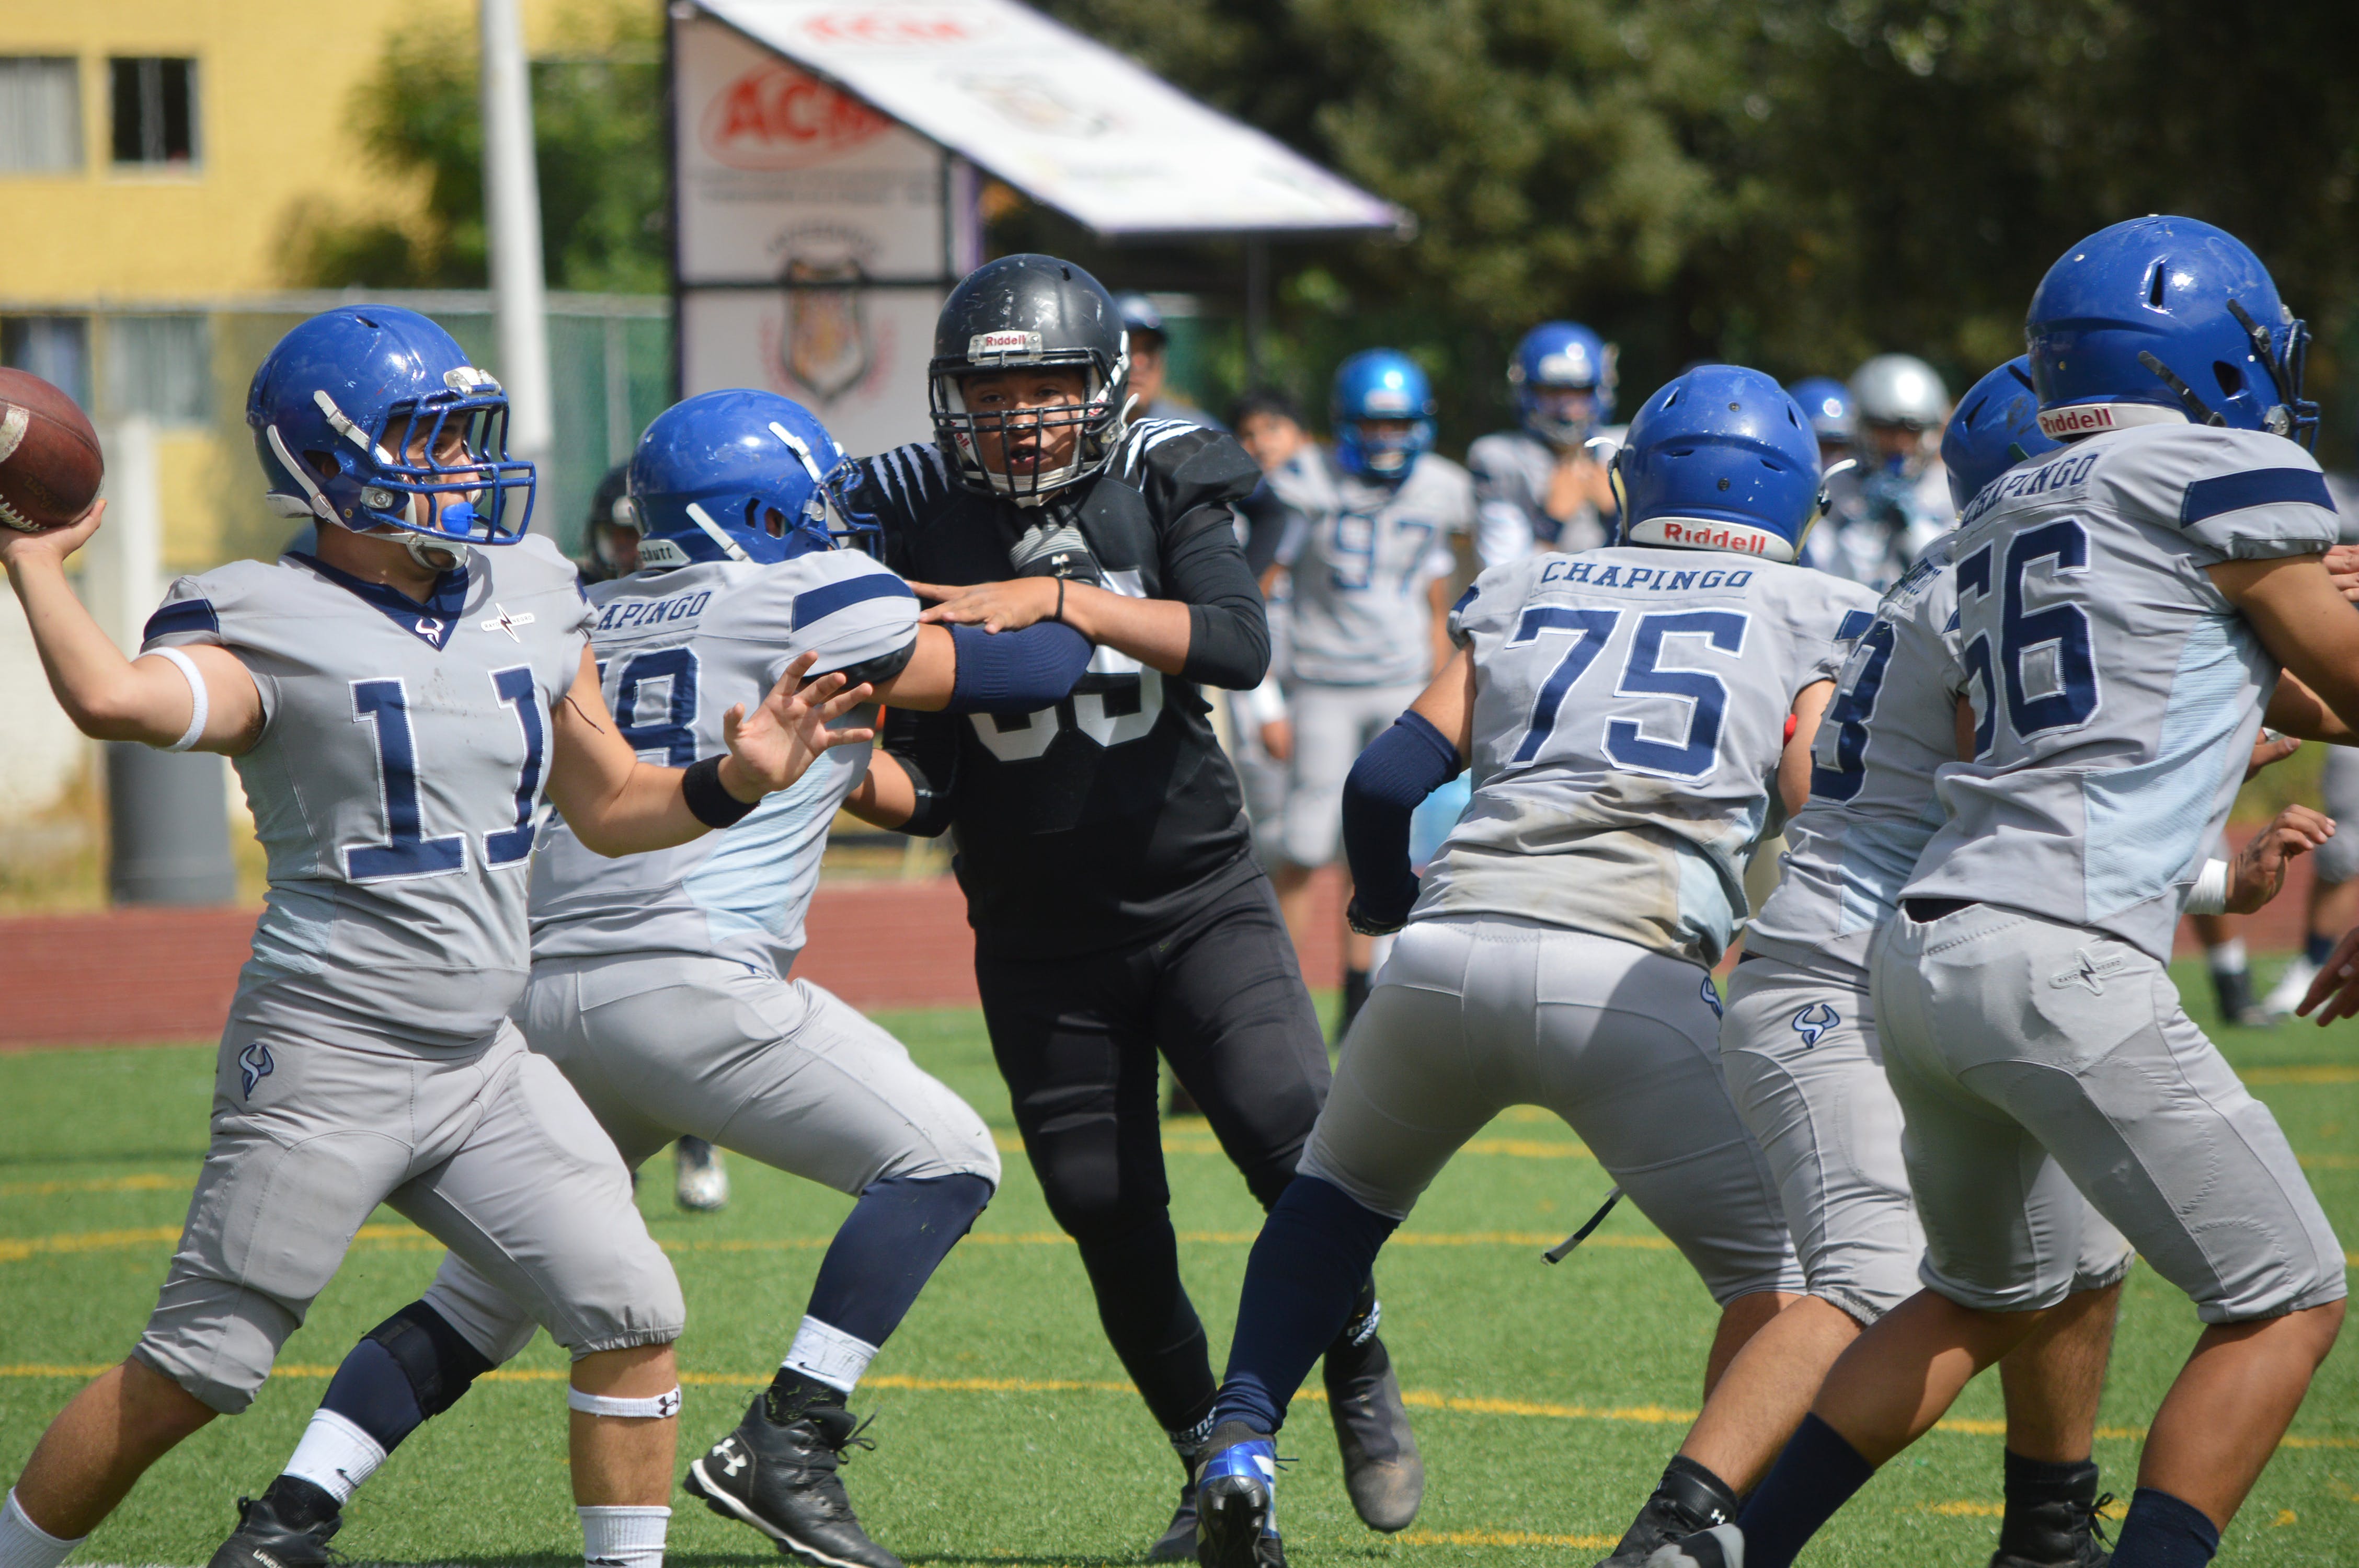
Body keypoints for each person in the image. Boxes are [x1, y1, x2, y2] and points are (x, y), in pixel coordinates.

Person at [0, 308, 869, 1568]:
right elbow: (115, 698)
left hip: (484, 1054)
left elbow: (616, 805)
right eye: (430, 438)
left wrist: (736, 781)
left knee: (633, 1310)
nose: (464, 463)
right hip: (328, 1055)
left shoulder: (526, 587)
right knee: (196, 1372)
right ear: (326, 462)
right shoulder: (261, 612)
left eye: (468, 435)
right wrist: (33, 563)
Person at [201, 388, 1102, 1568]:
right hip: (686, 977)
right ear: (772, 512)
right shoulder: (805, 595)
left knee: (482, 1297)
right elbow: (1030, 668)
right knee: (945, 1158)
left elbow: (888, 784)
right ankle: (789, 1436)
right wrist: (1081, 591)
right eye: (818, 504)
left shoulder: (583, 609)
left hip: (541, 996)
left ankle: (291, 1515)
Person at [1655, 215, 2353, 1568]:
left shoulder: (1986, 521)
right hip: (2059, 951)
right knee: (2284, 1300)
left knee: (1983, 1295)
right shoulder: (2224, 472)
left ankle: (1729, 1551)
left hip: (1918, 963)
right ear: (2212, 360)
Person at [1188, 365, 1879, 1568]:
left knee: (1331, 1203)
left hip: (1448, 951)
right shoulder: (1812, 606)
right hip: (1629, 975)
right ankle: (1689, 1526)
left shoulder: (1532, 578)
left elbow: (1384, 780)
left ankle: (1239, 1440)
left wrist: (1389, 904)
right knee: (1788, 1286)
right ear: (1795, 491)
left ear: (1636, 474)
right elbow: (1819, 804)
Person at [840, 255, 1422, 1557]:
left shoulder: (1166, 469)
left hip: (1195, 892)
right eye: (994, 396)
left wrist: (1057, 597)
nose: (1022, 419)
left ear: (1103, 387)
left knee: (1292, 1139)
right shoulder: (914, 508)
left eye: (1049, 389)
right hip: (1037, 933)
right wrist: (821, 761)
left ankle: (1358, 1357)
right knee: (1104, 1211)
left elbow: (1234, 641)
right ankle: (1211, 1476)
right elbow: (930, 791)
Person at [1265, 350, 1476, 1031]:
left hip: (1401, 685)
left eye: (1399, 425)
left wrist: (1442, 677)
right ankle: (1274, 997)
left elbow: (1441, 584)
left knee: (1382, 844)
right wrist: (1264, 697)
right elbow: (1262, 582)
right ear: (1344, 424)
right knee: (1301, 847)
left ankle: (1365, 1001)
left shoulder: (1444, 486)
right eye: (1373, 426)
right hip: (1321, 683)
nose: (1387, 440)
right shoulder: (1305, 479)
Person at [1467, 321, 1620, 566]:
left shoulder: (1628, 448)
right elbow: (1498, 578)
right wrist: (1550, 523)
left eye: (1579, 392)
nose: (1567, 411)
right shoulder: (1502, 458)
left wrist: (1618, 517)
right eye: (1552, 393)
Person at [1800, 353, 1952, 591]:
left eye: (1911, 431)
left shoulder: (1945, 486)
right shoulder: (1836, 484)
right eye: (1886, 430)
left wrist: (1915, 527)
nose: (1900, 444)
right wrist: (1864, 526)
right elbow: (1829, 574)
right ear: (1863, 427)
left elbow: (1947, 580)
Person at [1114, 292, 1224, 429]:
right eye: (1126, 349)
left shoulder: (1197, 434)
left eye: (1149, 349)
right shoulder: (1080, 431)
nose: (1139, 363)